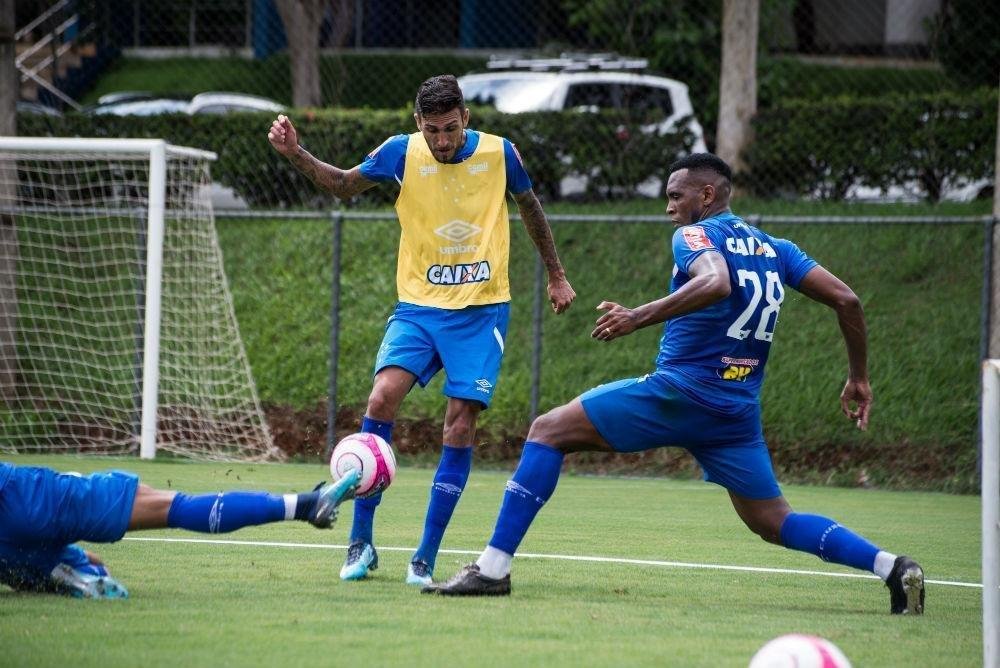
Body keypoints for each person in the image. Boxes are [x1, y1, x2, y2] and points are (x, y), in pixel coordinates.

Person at [425, 153, 925, 615]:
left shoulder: (694, 237)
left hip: (680, 392)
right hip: (734, 412)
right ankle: (892, 568)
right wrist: (858, 377)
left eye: (675, 196)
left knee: (547, 431)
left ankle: (491, 570)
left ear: (707, 196)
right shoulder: (777, 249)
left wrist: (635, 317)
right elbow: (848, 301)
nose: (669, 208)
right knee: (773, 520)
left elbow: (716, 282)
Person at [267, 75, 576, 586]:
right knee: (381, 399)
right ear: (418, 125)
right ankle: (360, 545)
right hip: (417, 310)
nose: (442, 140)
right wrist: (296, 153)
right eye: (432, 130)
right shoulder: (401, 153)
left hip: (480, 312)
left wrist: (557, 276)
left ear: (466, 119)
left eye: (450, 128)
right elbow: (343, 184)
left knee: (458, 424)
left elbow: (530, 208)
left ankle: (425, 557)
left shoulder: (502, 155)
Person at [0, 461, 360, 598]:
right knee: (176, 507)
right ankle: (306, 506)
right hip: (26, 496)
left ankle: (66, 570)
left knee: (77, 562)